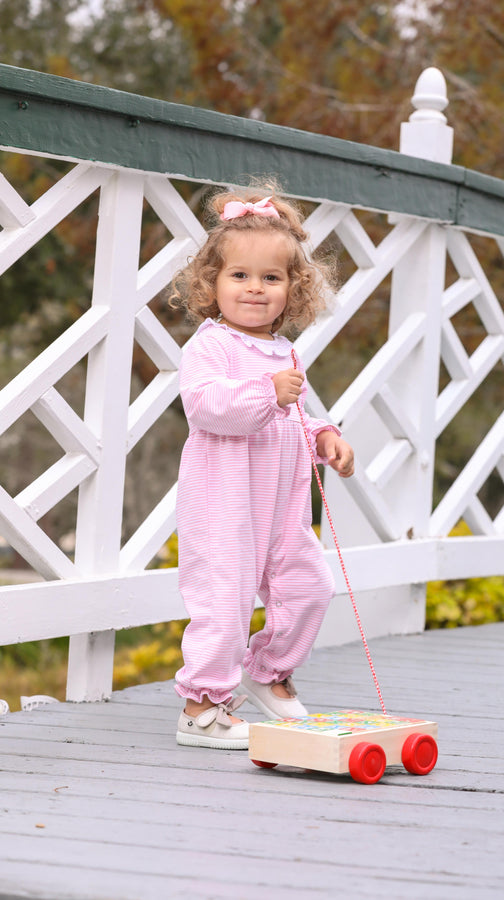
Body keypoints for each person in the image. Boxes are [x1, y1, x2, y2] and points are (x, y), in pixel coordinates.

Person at [170, 186, 354, 751]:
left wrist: (324, 432)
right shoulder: (211, 346)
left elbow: (299, 406)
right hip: (225, 500)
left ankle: (267, 670)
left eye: (271, 279)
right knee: (224, 600)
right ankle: (202, 707)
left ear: (293, 291)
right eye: (240, 276)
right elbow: (204, 406)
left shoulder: (283, 351)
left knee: (309, 587)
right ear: (211, 284)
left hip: (283, 506)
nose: (255, 288)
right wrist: (265, 392)